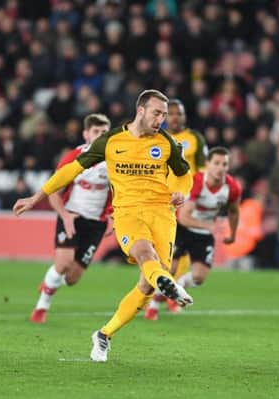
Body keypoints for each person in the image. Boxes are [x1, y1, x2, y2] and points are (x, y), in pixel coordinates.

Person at [13, 89, 193, 362]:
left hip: (162, 214)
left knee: (146, 286)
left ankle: (104, 335)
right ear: (141, 110)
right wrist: (37, 196)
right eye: (157, 113)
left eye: (165, 115)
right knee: (146, 255)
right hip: (128, 213)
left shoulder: (165, 142)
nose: (161, 119)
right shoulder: (111, 142)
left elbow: (183, 175)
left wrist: (182, 192)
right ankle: (168, 284)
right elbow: (71, 170)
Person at [30, 113, 112, 323]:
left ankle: (51, 281)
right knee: (63, 262)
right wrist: (65, 216)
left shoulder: (115, 162)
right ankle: (41, 307)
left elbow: (121, 192)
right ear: (86, 134)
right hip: (72, 217)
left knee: (72, 278)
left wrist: (114, 216)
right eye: (96, 132)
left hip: (96, 224)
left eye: (105, 132)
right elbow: (53, 193)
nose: (101, 136)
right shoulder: (74, 157)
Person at [145, 147, 241, 320]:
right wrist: (208, 225)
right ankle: (153, 306)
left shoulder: (232, 187)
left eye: (224, 164)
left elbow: (234, 211)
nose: (220, 168)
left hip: (202, 235)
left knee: (199, 277)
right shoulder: (197, 181)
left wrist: (232, 234)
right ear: (208, 164)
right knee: (169, 269)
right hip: (180, 229)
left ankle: (178, 286)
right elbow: (183, 217)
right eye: (217, 163)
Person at [164, 98, 207, 313]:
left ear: (184, 116)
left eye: (178, 113)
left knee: (181, 250)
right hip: (162, 199)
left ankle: (173, 294)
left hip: (187, 200)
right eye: (170, 113)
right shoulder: (157, 137)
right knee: (163, 248)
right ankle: (158, 289)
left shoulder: (194, 138)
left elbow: (202, 170)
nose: (175, 117)